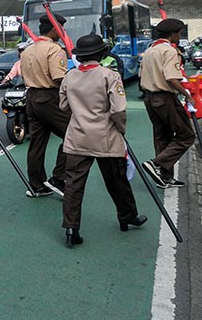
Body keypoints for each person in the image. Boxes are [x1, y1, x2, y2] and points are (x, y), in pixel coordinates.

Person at [59, 35, 147, 247]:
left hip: (77, 137)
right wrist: (121, 130)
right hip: (105, 137)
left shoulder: (69, 76)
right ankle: (127, 216)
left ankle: (72, 228)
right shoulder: (110, 75)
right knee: (117, 180)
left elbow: (63, 106)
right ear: (102, 54)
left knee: (73, 184)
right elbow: (118, 110)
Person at [140, 18, 196, 189]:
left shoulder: (150, 50)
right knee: (186, 135)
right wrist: (187, 94)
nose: (179, 36)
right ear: (172, 34)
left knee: (162, 136)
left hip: (149, 98)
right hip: (164, 97)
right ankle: (157, 164)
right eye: (179, 33)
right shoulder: (168, 51)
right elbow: (171, 78)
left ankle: (164, 177)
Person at [20, 14, 70, 197]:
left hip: (31, 97)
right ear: (54, 30)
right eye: (61, 29)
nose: (62, 33)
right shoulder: (55, 50)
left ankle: (36, 185)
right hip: (49, 97)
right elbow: (59, 78)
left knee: (37, 143)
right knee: (73, 134)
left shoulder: (27, 50)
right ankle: (59, 177)